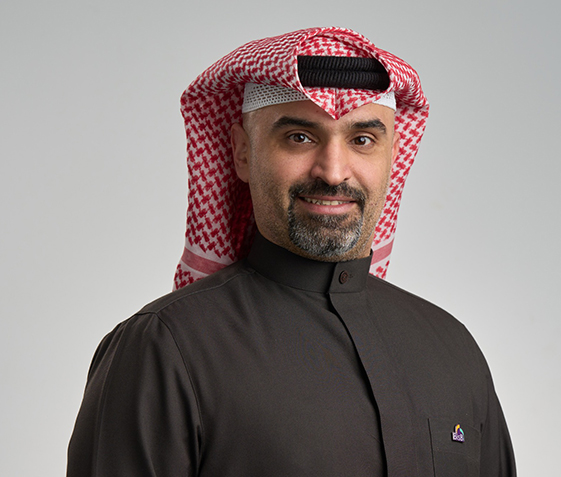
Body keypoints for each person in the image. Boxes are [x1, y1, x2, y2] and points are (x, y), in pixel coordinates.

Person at [67, 27, 516, 476]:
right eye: (300, 137)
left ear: (392, 156)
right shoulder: (165, 348)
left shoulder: (452, 349)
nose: (333, 172)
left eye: (362, 139)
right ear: (242, 152)